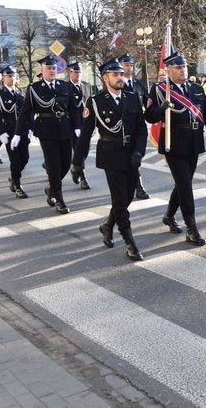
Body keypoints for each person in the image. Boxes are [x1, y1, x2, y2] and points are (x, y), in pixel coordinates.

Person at [73, 59, 148, 261]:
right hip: (111, 154)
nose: (120, 77)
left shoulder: (132, 99)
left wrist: (139, 152)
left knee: (128, 197)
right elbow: (85, 134)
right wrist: (76, 163)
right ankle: (129, 241)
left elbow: (141, 129)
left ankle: (107, 225)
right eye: (115, 75)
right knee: (119, 200)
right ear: (105, 78)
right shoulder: (96, 102)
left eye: (121, 74)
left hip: (131, 154)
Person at [145, 51, 206, 246]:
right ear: (168, 71)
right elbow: (149, 115)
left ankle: (169, 215)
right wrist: (161, 109)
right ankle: (191, 228)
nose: (182, 70)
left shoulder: (196, 88)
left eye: (184, 66)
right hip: (174, 142)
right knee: (185, 185)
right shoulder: (161, 89)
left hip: (193, 141)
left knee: (182, 183)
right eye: (178, 67)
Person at [11, 56, 81, 214]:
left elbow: (73, 108)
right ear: (42, 70)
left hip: (64, 129)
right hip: (46, 131)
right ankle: (59, 199)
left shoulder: (64, 86)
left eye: (54, 68)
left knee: (65, 164)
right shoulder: (34, 88)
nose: (52, 70)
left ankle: (51, 187)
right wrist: (17, 133)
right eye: (48, 68)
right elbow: (25, 112)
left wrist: (77, 127)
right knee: (54, 166)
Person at [0, 66, 32, 198]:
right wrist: (0, 133)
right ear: (4, 78)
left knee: (25, 158)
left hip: (23, 131)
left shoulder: (21, 92)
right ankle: (18, 185)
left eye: (13, 76)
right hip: (9, 131)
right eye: (9, 76)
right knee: (15, 160)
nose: (12, 78)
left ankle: (13, 177)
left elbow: (28, 112)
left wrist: (31, 128)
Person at [119, 54, 151, 200]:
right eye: (126, 65)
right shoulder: (117, 84)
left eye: (131, 65)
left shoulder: (139, 84)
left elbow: (147, 103)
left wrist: (152, 117)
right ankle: (128, 186)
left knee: (136, 157)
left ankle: (139, 186)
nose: (129, 67)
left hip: (138, 127)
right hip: (122, 128)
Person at [67, 62, 93, 190]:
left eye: (79, 72)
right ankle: (83, 178)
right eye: (75, 72)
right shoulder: (66, 87)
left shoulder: (87, 86)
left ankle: (75, 167)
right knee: (79, 149)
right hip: (72, 126)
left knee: (85, 150)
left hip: (86, 124)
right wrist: (74, 126)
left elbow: (91, 106)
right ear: (70, 73)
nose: (78, 74)